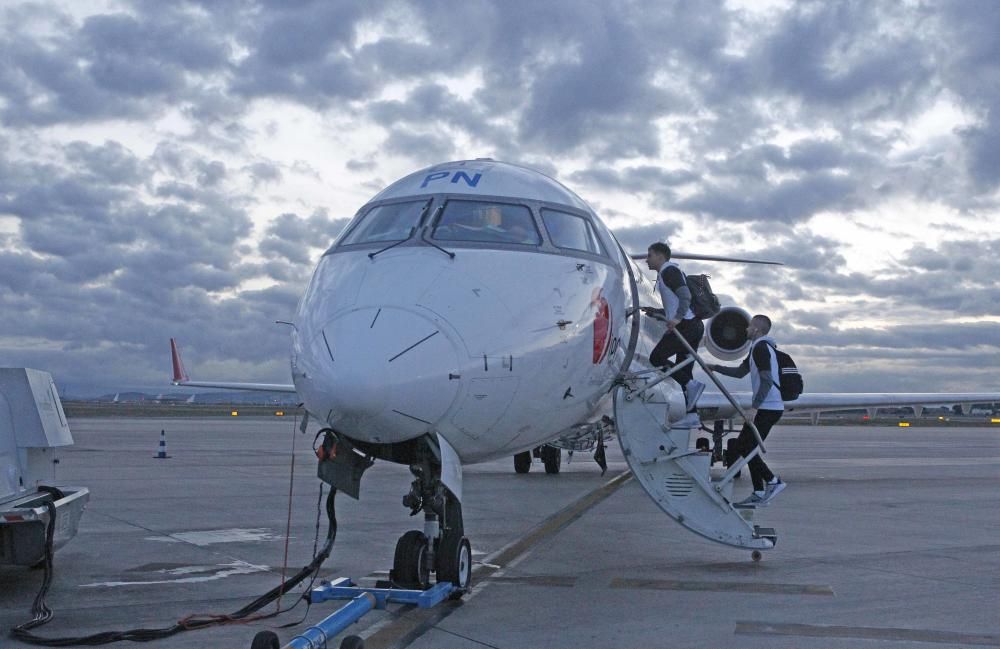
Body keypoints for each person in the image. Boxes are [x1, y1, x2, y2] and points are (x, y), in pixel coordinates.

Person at [708, 314, 786, 508]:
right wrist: (715, 367)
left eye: (749, 326)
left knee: (745, 446)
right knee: (745, 447)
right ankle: (759, 491)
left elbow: (767, 380)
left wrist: (755, 408)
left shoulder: (761, 348)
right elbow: (740, 372)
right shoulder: (757, 349)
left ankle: (772, 481)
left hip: (768, 408)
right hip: (768, 407)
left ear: (757, 330)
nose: (746, 329)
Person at [641, 242, 706, 421]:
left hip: (686, 326)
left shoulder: (669, 271)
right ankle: (692, 414)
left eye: (650, 255)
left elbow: (685, 296)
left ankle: (690, 385)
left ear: (660, 256)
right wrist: (656, 312)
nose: (646, 260)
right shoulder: (669, 273)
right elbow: (678, 303)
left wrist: (676, 319)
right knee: (684, 369)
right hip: (693, 326)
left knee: (656, 358)